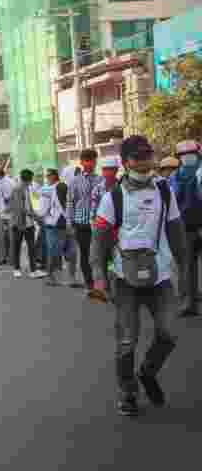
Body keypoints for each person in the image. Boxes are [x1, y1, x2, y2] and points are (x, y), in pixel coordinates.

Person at [91, 135, 188, 417]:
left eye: (148, 155)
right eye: (138, 157)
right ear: (126, 162)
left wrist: (183, 271)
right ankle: (128, 391)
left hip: (160, 278)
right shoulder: (113, 198)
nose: (145, 162)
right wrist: (99, 278)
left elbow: (177, 234)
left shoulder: (164, 192)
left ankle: (147, 372)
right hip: (125, 280)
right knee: (126, 341)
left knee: (168, 334)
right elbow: (99, 242)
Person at [170, 140, 202, 318]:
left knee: (187, 266)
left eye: (191, 154)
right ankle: (189, 302)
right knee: (187, 266)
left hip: (188, 226)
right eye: (185, 155)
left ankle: (189, 302)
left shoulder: (178, 176)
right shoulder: (176, 177)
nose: (188, 158)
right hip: (187, 227)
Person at [66, 149, 103, 292]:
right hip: (81, 223)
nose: (89, 163)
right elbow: (70, 202)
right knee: (85, 254)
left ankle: (101, 283)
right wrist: (70, 222)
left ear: (95, 162)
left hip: (99, 223)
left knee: (99, 254)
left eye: (92, 160)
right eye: (86, 160)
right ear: (81, 162)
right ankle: (90, 284)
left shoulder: (100, 180)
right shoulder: (75, 181)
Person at [9, 170, 44, 278]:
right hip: (19, 222)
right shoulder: (17, 189)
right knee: (17, 246)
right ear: (29, 179)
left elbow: (29, 205)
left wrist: (35, 216)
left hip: (28, 223)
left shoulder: (27, 188)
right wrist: (35, 216)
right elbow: (21, 208)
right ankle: (16, 269)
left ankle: (33, 270)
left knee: (31, 247)